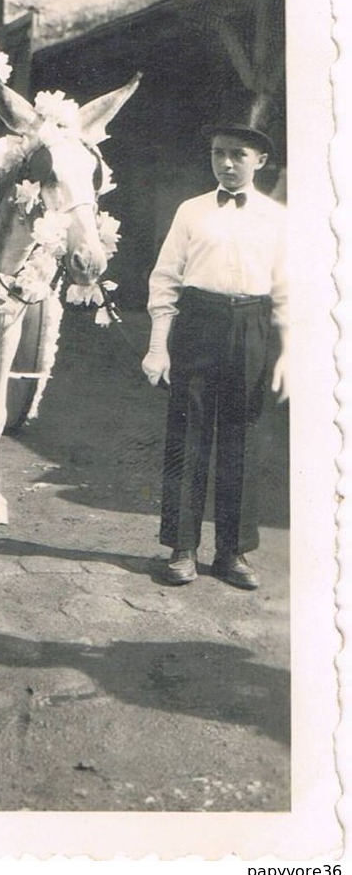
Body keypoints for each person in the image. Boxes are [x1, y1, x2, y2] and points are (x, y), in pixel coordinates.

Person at [142, 117, 288, 590]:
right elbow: (165, 278)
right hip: (199, 323)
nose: (225, 163)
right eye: (218, 153)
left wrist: (289, 355)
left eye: (237, 155)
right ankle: (182, 547)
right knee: (188, 434)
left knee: (241, 437)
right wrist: (157, 345)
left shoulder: (278, 218)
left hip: (252, 326)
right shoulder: (192, 211)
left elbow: (289, 292)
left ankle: (232, 552)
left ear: (260, 161)